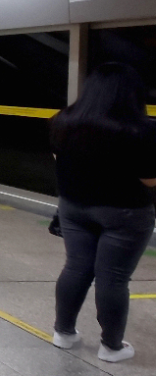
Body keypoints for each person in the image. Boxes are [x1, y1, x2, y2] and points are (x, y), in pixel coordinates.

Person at [50, 62, 156, 363]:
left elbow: (59, 159)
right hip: (125, 213)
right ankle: (111, 347)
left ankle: (63, 333)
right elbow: (150, 180)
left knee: (75, 268)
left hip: (74, 208)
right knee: (113, 278)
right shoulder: (141, 130)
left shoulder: (63, 121)